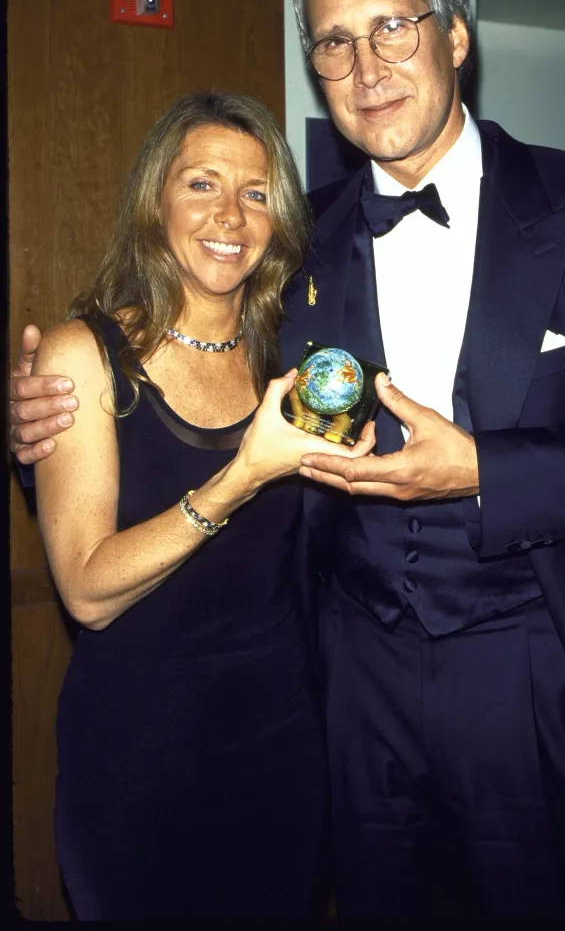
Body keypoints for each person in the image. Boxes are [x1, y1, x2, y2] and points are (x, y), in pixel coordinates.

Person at [11, 0, 565, 919]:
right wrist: (38, 420)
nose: (365, 67)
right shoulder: (287, 247)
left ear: (457, 34)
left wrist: (485, 470)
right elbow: (164, 378)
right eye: (333, 41)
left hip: (537, 678)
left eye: (391, 27)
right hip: (345, 693)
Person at [13, 90, 372, 921]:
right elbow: (87, 592)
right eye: (201, 183)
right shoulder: (85, 355)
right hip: (138, 757)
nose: (230, 216)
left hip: (281, 747)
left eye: (256, 193)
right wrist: (241, 475)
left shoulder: (295, 358)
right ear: (156, 200)